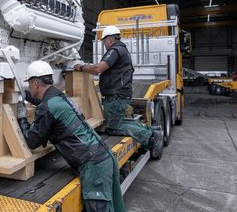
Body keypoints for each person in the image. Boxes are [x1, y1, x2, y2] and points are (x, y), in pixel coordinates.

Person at [17, 60, 125, 212]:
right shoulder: (58, 96)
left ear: (35, 83)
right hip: (104, 158)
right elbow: (45, 104)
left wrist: (21, 118)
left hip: (93, 166)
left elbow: (32, 141)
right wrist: (26, 97)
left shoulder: (48, 107)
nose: (28, 86)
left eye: (29, 83)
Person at [74, 25, 162, 158]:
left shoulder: (115, 50)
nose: (104, 44)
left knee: (114, 128)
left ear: (109, 39)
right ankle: (150, 131)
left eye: (104, 41)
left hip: (116, 96)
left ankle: (151, 136)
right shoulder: (122, 50)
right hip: (119, 95)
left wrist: (81, 67)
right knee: (118, 123)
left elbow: (98, 68)